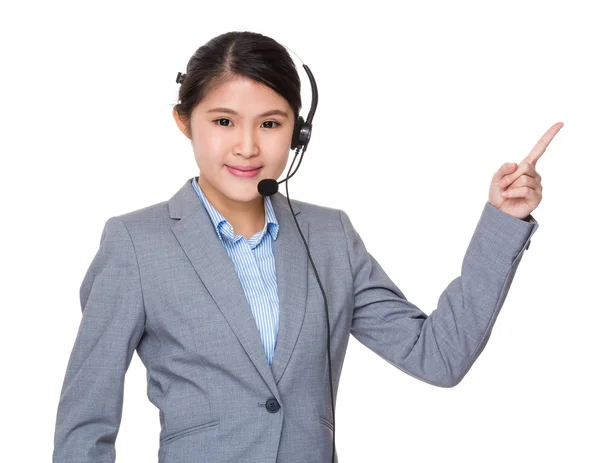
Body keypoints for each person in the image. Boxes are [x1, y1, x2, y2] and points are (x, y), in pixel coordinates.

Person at [52, 30, 562, 463]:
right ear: (185, 122)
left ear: (299, 132)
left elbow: (438, 357)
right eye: (223, 121)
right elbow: (86, 422)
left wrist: (502, 221)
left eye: (270, 124)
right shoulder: (135, 243)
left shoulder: (329, 237)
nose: (248, 147)